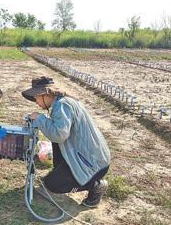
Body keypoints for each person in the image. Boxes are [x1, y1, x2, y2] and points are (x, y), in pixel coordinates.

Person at [22, 76, 111, 208]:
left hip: (92, 164)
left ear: (44, 94)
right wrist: (43, 120)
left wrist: (40, 118)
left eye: (36, 97)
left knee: (53, 185)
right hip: (91, 158)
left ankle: (96, 186)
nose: (36, 102)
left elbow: (59, 136)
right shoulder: (62, 103)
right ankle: (62, 172)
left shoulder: (63, 105)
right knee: (49, 180)